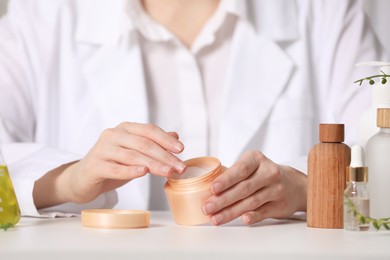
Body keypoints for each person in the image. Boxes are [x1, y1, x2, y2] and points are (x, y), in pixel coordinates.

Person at [0, 0, 385, 225]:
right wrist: (65, 182)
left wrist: (307, 188)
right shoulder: (42, 15)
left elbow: (380, 147)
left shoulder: (325, 12)